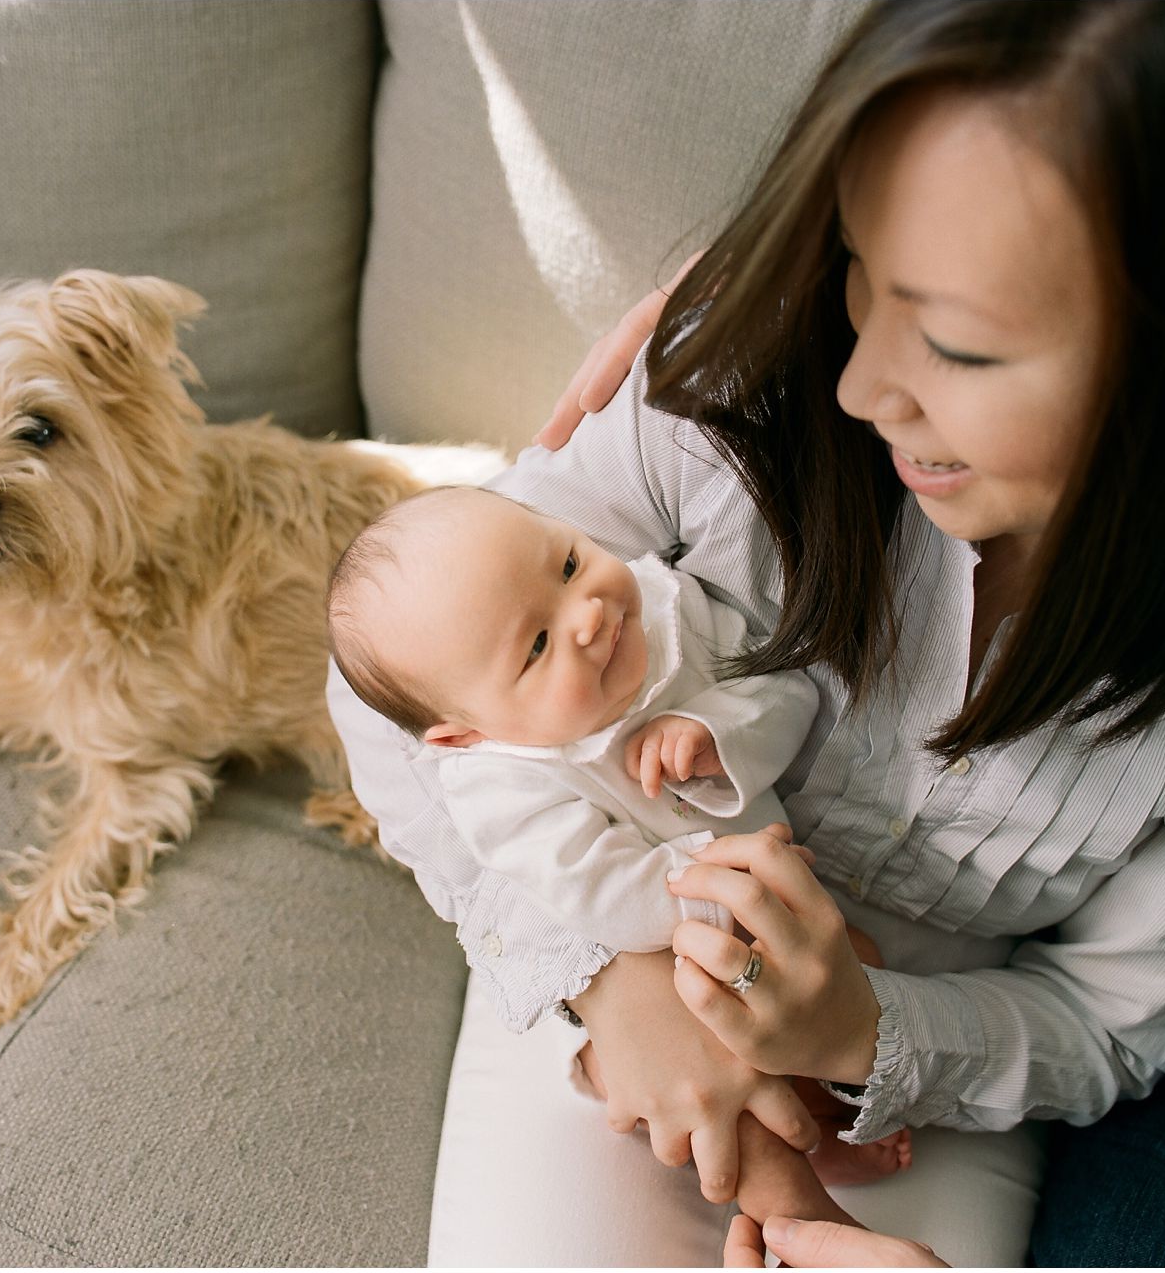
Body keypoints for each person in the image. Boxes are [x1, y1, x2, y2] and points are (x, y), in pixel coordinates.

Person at [327, 3, 1165, 1265]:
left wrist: (861, 1032)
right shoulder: (753, 388)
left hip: (932, 1077)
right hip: (618, 990)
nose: (860, 385)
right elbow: (401, 680)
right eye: (855, 266)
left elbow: (1106, 1022)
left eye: (951, 341)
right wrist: (608, 981)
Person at [325, 485, 913, 1227]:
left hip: (777, 902)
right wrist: (713, 890)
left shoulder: (671, 608)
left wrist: (717, 733)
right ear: (463, 732)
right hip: (665, 947)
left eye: (568, 564)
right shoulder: (498, 785)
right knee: (717, 1063)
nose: (589, 614)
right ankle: (789, 1193)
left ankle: (831, 1101)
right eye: (537, 646)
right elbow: (596, 890)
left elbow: (783, 692)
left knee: (862, 963)